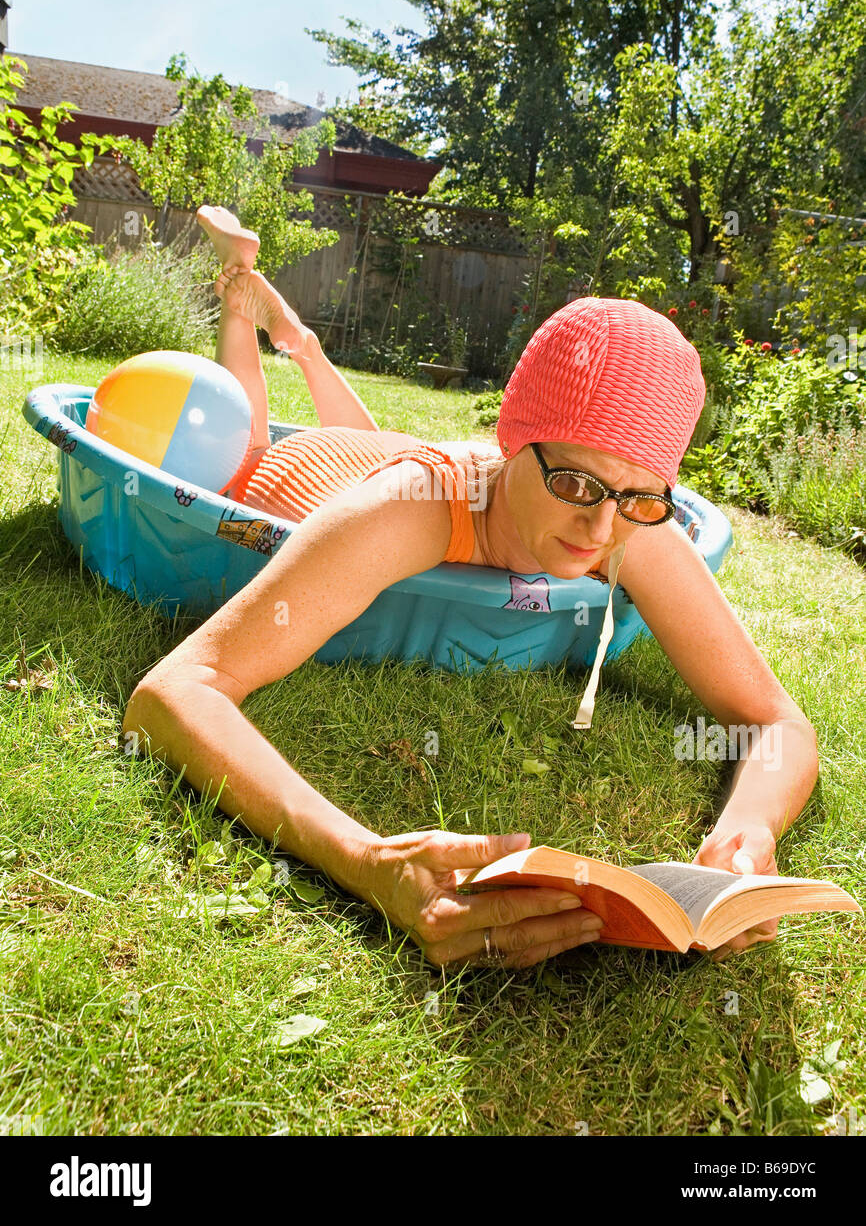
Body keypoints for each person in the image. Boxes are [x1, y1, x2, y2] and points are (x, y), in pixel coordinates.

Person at [121, 206, 819, 969]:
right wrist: (364, 859)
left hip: (386, 450)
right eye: (576, 482)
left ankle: (303, 341)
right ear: (513, 441)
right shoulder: (405, 510)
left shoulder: (629, 521)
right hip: (304, 475)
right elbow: (174, 691)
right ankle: (247, 304)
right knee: (246, 429)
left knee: (362, 421)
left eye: (637, 497)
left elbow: (779, 720)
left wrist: (749, 830)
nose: (599, 530)